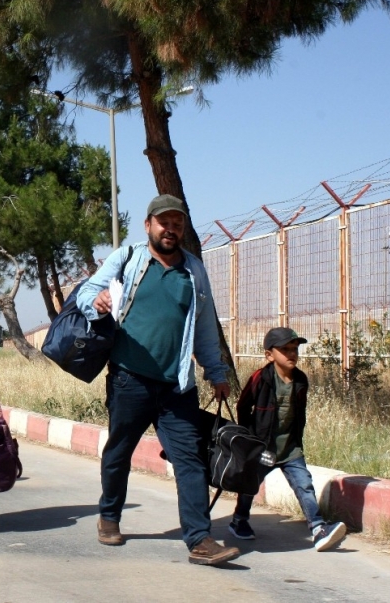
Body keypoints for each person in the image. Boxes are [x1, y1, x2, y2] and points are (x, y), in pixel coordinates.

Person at [76, 194, 240, 566]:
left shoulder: (194, 270)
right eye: (164, 223)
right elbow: (87, 293)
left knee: (190, 461)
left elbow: (204, 328)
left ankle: (199, 538)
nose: (171, 229)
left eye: (177, 224)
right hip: (129, 380)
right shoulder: (129, 258)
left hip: (177, 386)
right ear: (148, 225)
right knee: (119, 452)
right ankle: (109, 515)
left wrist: (216, 373)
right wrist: (97, 301)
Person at [229, 327, 347, 551]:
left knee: (304, 485)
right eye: (285, 349)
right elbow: (243, 405)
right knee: (250, 484)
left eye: (295, 349)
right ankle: (239, 520)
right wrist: (247, 438)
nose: (292, 354)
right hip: (264, 448)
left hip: (290, 448)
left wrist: (297, 441)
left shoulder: (301, 379)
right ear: (269, 355)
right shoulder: (260, 378)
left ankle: (318, 528)